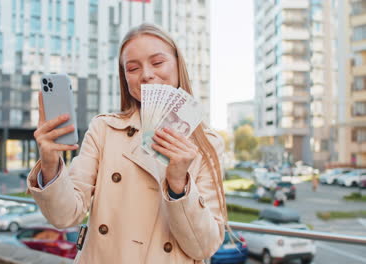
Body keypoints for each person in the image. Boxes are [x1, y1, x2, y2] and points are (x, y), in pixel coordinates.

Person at [26, 23, 227, 263]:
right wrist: (50, 164)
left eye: (157, 62)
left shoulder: (208, 145)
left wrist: (178, 184)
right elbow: (64, 216)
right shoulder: (104, 129)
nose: (146, 75)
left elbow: (203, 248)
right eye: (133, 68)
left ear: (178, 64)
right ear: (125, 79)